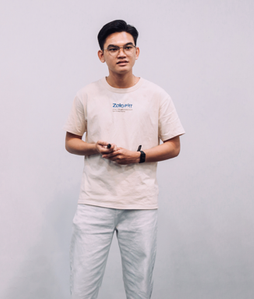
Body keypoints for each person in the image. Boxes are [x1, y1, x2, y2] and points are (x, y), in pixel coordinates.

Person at [64, 20, 184, 299]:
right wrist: (95, 147)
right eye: (113, 48)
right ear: (101, 55)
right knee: (82, 289)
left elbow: (174, 146)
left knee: (140, 290)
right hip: (95, 202)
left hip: (140, 203)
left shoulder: (156, 95)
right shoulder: (87, 94)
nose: (121, 54)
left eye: (128, 47)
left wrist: (137, 156)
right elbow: (70, 141)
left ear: (137, 52)